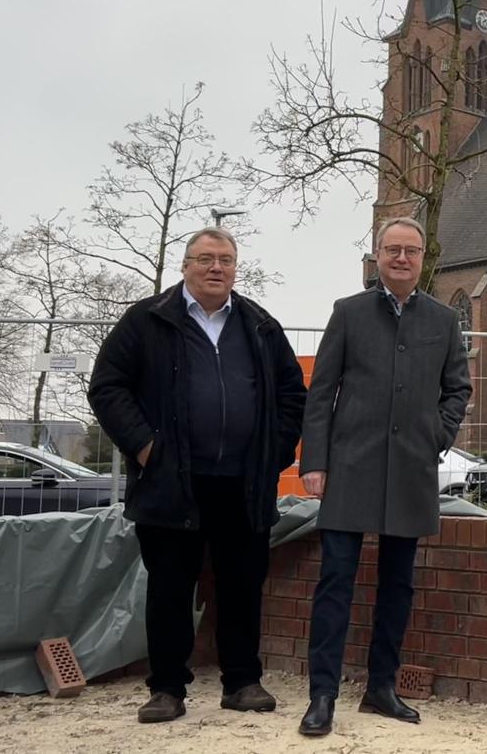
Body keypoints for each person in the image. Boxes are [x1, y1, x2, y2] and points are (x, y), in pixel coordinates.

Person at [88, 227, 307, 724]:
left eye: (225, 260)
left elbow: (292, 394)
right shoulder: (147, 320)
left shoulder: (259, 325)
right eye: (205, 258)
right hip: (171, 481)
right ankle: (166, 689)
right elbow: (107, 386)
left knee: (242, 585)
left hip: (243, 484)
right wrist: (146, 448)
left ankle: (242, 682)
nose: (216, 267)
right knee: (170, 587)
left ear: (235, 268)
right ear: (185, 265)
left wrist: (272, 454)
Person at [297, 216, 471, 738]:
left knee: (398, 585)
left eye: (410, 250)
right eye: (392, 249)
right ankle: (322, 694)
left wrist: (435, 435)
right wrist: (315, 461)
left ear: (422, 258)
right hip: (350, 466)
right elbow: (321, 392)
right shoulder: (348, 313)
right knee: (336, 581)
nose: (401, 258)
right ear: (377, 256)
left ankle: (381, 687)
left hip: (411, 468)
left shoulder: (443, 319)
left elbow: (457, 389)